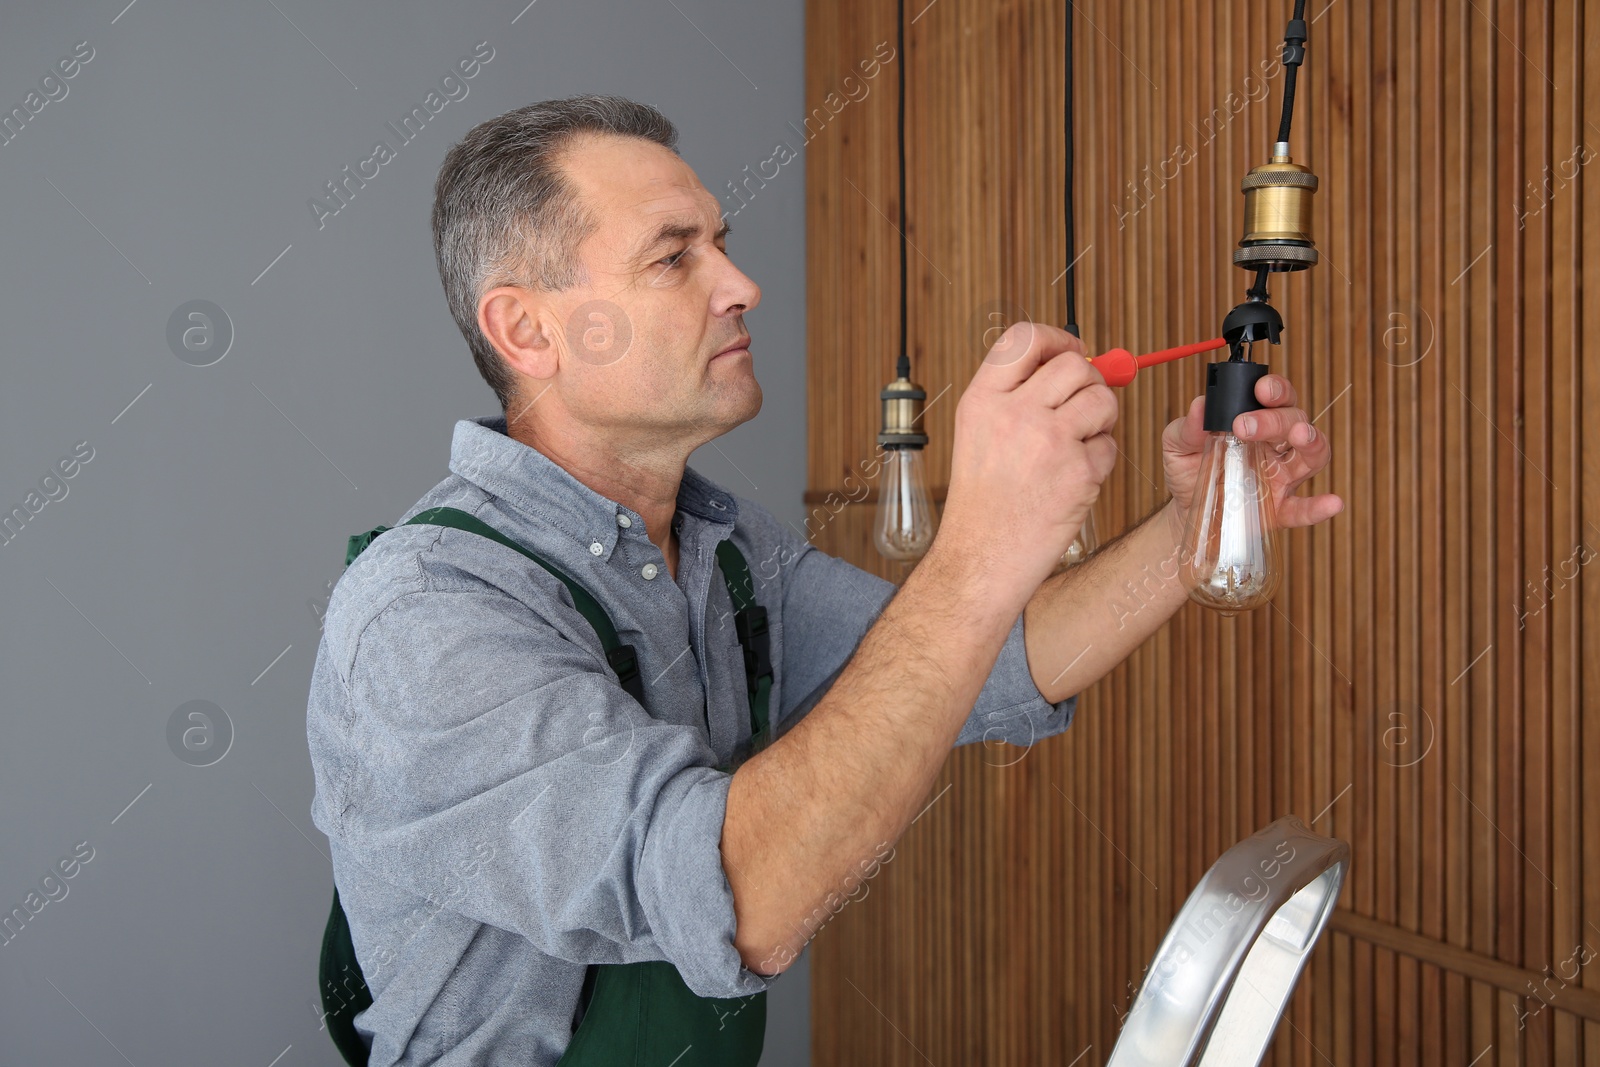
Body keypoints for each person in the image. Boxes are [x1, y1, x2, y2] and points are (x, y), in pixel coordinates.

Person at [304, 93, 1343, 1066]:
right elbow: (738, 891)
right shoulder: (424, 614)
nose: (738, 283)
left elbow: (984, 662)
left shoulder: (725, 552)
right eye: (674, 257)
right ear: (527, 330)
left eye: (720, 242)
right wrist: (979, 544)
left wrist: (1192, 529)